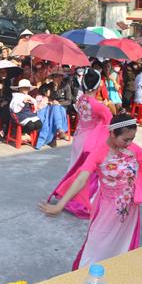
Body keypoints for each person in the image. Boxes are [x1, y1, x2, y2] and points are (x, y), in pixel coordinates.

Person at [40, 114, 142, 268]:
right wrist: (60, 205)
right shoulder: (99, 153)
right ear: (112, 133)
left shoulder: (133, 149)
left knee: (123, 245)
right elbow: (81, 179)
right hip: (107, 210)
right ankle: (86, 275)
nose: (129, 143)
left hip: (130, 210)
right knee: (96, 245)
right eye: (125, 139)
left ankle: (117, 273)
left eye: (132, 139)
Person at [47, 69, 112, 218]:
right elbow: (109, 120)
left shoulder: (81, 99)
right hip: (91, 141)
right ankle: (81, 202)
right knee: (87, 173)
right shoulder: (97, 105)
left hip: (79, 137)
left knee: (74, 169)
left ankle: (67, 196)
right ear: (98, 86)